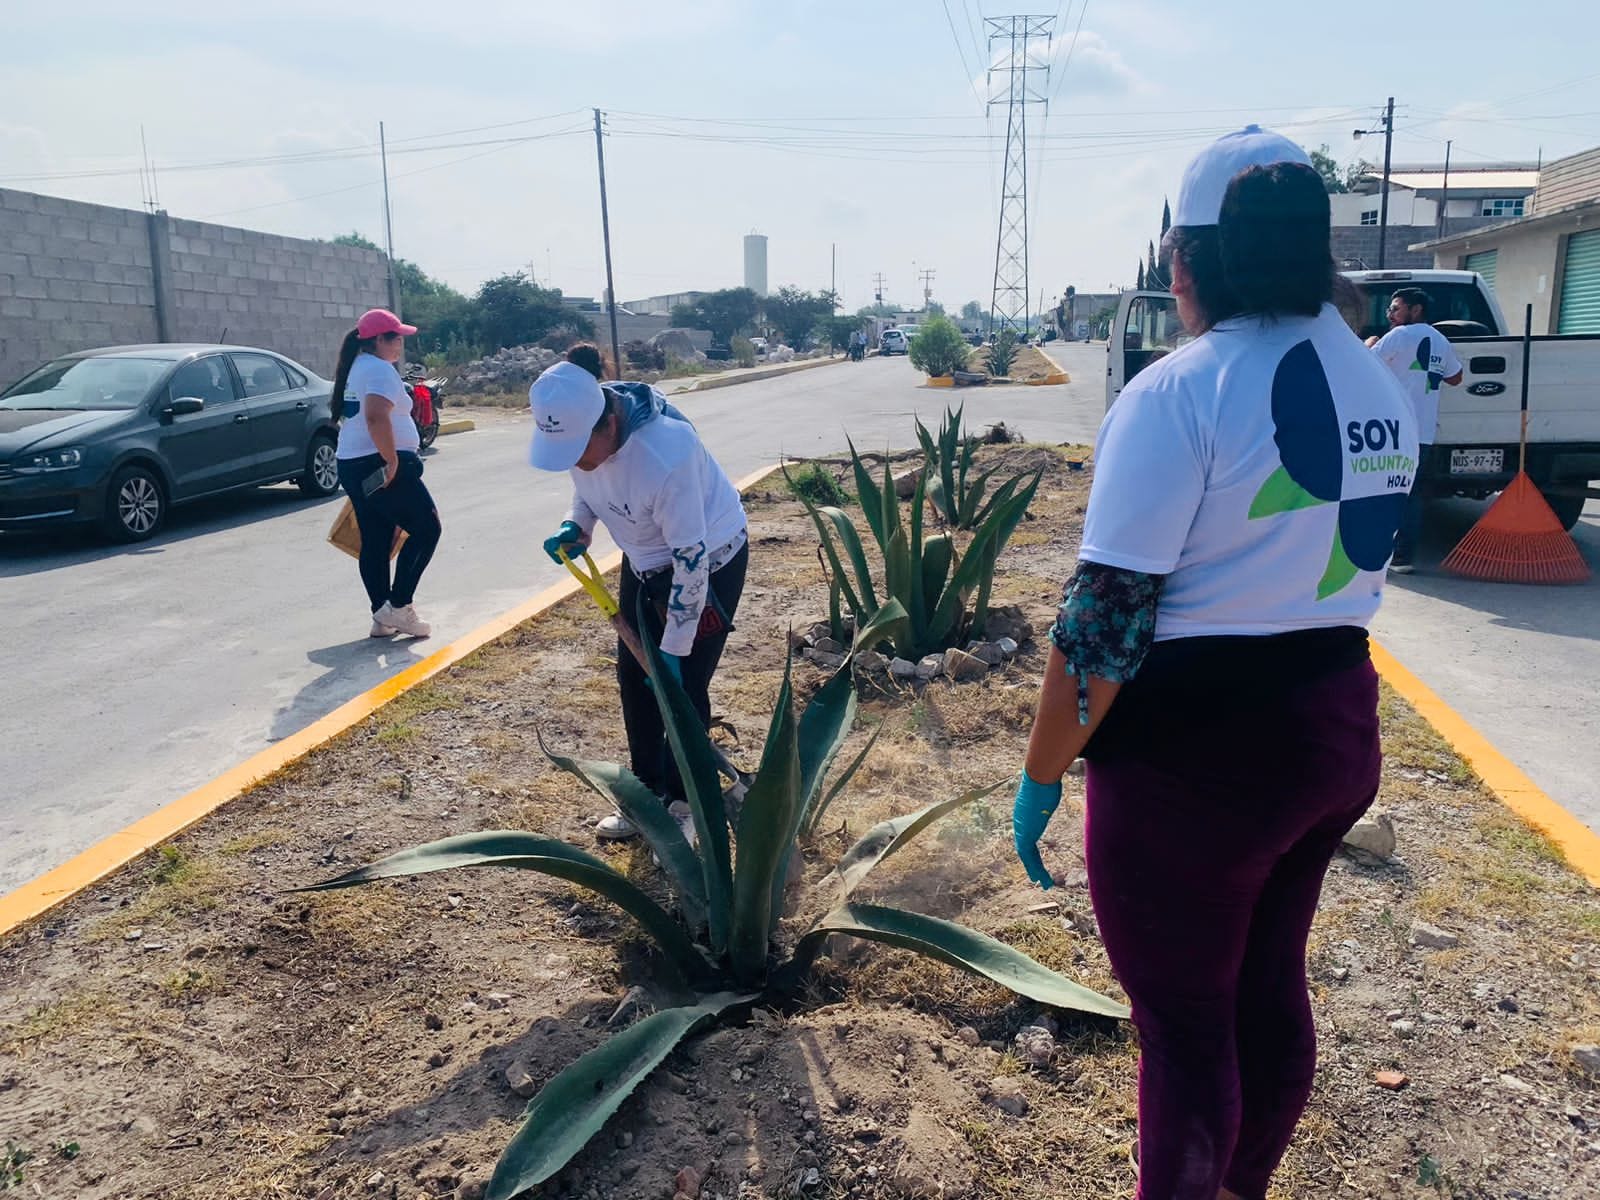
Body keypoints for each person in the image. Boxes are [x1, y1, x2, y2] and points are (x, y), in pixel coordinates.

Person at [1010, 127, 1417, 1200]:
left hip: (1198, 764)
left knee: (1185, 1030)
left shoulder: (1177, 392)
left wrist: (1042, 771)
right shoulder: (1376, 383)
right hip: (1333, 726)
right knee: (1265, 989)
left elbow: (1103, 619)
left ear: (1184, 263)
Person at [531, 344, 749, 840]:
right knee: (634, 678)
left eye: (578, 451)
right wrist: (576, 524)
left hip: (708, 559)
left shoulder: (666, 453)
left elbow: (691, 564)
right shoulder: (580, 431)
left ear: (606, 426)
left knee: (682, 686)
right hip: (646, 559)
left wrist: (674, 649)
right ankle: (648, 793)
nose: (576, 463)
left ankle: (687, 802)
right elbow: (587, 485)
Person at [330, 308, 441, 639]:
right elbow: (377, 417)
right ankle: (400, 606)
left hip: (352, 462)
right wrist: (392, 461)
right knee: (427, 528)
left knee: (376, 539)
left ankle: (382, 616)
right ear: (378, 340)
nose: (399, 345)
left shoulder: (359, 366)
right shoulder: (378, 370)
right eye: (396, 339)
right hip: (376, 462)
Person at [1367, 286, 1464, 572]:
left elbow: (1366, 365)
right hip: (1423, 434)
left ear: (1415, 310)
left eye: (1396, 308)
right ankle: (1403, 557)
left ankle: (1374, 553)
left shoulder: (1398, 336)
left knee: (1380, 492)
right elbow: (1456, 377)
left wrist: (1370, 342)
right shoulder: (1441, 341)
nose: (1390, 314)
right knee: (1412, 495)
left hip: (1392, 432)